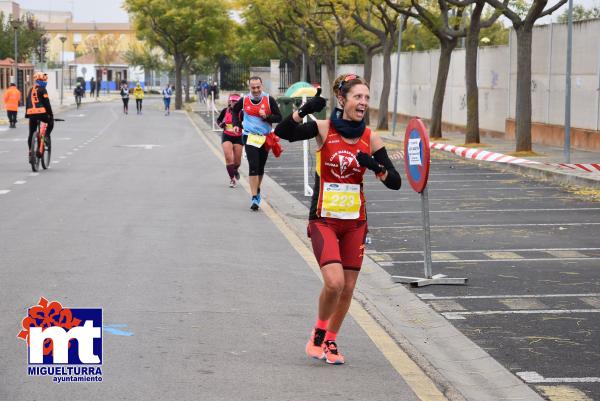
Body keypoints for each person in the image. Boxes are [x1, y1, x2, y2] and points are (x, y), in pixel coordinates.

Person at [274, 74, 402, 365]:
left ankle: (331, 341)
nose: (364, 103)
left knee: (348, 287)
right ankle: (317, 335)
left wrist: (377, 167)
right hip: (324, 220)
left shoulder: (371, 137)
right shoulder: (323, 128)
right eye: (358, 97)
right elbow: (284, 132)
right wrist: (303, 110)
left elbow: (395, 181)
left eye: (367, 98)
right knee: (334, 282)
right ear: (343, 100)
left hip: (355, 223)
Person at [231, 76, 282, 211]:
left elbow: (279, 117)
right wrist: (236, 124)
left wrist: (267, 116)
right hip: (249, 136)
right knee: (253, 166)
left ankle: (257, 188)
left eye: (258, 87)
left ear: (262, 86)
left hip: (265, 137)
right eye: (253, 88)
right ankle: (254, 197)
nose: (256, 90)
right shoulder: (244, 100)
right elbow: (235, 111)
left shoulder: (269, 99)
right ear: (249, 87)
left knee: (260, 167)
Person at [217, 94, 243, 187]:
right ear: (229, 102)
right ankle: (232, 179)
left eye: (236, 102)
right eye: (232, 101)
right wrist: (221, 124)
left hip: (238, 137)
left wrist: (240, 125)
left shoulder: (242, 112)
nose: (234, 103)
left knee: (237, 162)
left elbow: (247, 123)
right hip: (227, 136)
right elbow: (218, 120)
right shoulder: (225, 110)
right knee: (228, 158)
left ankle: (235, 170)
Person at [25, 72, 54, 157]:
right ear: (39, 81)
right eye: (43, 80)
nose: (45, 82)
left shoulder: (30, 89)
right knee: (51, 122)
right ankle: (46, 136)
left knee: (31, 133)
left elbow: (28, 102)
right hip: (41, 113)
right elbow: (47, 103)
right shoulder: (43, 89)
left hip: (31, 113)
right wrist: (51, 115)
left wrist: (27, 114)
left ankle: (30, 151)